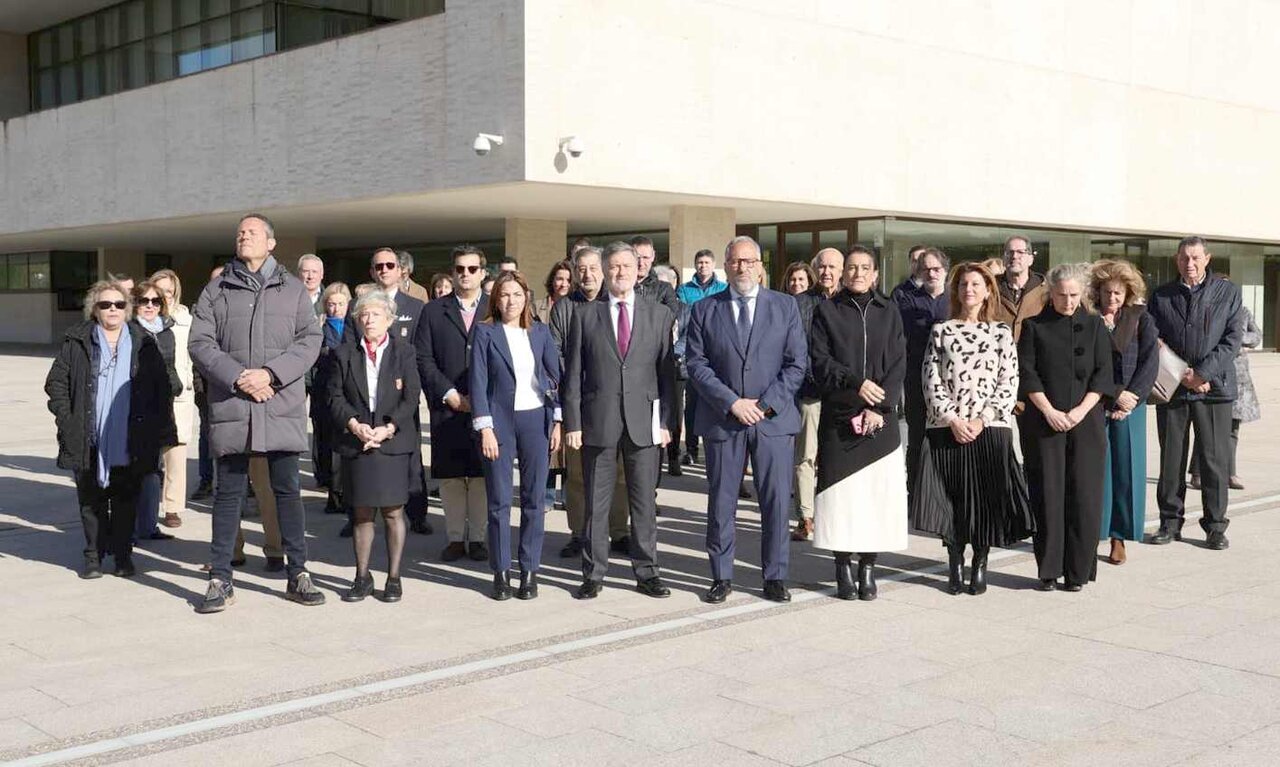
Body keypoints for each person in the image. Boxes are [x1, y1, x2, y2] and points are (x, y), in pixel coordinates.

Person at [189, 213, 324, 613]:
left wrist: (270, 374)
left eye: (251, 232)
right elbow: (200, 342)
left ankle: (297, 573)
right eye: (239, 233)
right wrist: (237, 377)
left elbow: (310, 340)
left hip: (279, 404)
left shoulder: (294, 290)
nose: (243, 236)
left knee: (287, 491)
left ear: (271, 243)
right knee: (228, 494)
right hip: (233, 406)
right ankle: (220, 578)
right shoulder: (217, 289)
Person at [686, 236, 807, 603]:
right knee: (722, 502)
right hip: (725, 420)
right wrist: (732, 403)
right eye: (736, 261)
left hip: (772, 421)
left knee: (774, 503)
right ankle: (721, 576)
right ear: (726, 265)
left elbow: (796, 363)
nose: (743, 268)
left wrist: (765, 404)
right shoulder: (705, 309)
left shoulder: (785, 307)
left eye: (749, 261)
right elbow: (696, 364)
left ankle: (774, 576)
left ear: (760, 265)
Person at [563, 241, 677, 599]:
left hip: (645, 421)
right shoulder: (584, 316)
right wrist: (573, 423)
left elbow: (667, 376)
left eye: (627, 266)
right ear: (604, 270)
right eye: (613, 267)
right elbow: (573, 375)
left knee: (643, 501)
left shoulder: (658, 314)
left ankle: (647, 572)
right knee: (597, 502)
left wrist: (667, 423)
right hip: (599, 421)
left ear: (637, 269)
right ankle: (593, 573)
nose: (620, 272)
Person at [911, 264, 1032, 595]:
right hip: (947, 428)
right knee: (952, 500)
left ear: (988, 290)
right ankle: (954, 561)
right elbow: (930, 378)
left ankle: (980, 561)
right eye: (964, 284)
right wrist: (953, 419)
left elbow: (1010, 381)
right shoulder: (942, 331)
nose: (969, 289)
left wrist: (982, 419)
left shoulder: (1000, 333)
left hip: (989, 428)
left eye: (976, 284)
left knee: (984, 499)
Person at [45, 281, 175, 578]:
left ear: (127, 308)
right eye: (105, 305)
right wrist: (67, 418)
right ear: (95, 309)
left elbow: (161, 388)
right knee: (90, 500)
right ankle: (93, 555)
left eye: (118, 304)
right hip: (88, 434)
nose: (112, 310)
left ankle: (122, 555)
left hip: (131, 436)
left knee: (126, 498)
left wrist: (156, 427)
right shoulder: (77, 341)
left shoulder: (143, 343)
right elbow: (56, 383)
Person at [810, 246, 908, 601]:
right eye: (851, 268)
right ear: (842, 273)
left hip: (881, 419)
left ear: (876, 274)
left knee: (875, 496)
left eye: (865, 268)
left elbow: (898, 363)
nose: (858, 273)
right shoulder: (826, 311)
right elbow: (821, 362)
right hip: (841, 416)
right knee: (842, 497)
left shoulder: (889, 311)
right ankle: (841, 565)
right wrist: (856, 384)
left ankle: (868, 564)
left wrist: (880, 407)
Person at [1018, 262, 1114, 592]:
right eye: (1061, 296)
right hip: (1044, 423)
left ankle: (1078, 572)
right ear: (1051, 293)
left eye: (1074, 295)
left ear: (1083, 293)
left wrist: (1080, 412)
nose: (1068, 302)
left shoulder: (1095, 325)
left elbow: (1104, 375)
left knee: (1084, 497)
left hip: (1086, 424)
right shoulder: (1033, 326)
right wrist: (1049, 411)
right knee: (1047, 494)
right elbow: (1027, 374)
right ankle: (1048, 570)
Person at [470, 271, 563, 600]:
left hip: (536, 420)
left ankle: (529, 570)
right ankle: (501, 571)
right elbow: (478, 383)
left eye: (517, 295)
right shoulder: (484, 333)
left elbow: (557, 375)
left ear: (526, 298)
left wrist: (558, 420)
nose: (510, 301)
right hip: (500, 423)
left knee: (534, 500)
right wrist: (486, 429)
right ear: (496, 299)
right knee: (498, 501)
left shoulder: (538, 332)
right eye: (504, 295)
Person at [1147, 236, 1242, 550]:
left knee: (1213, 462)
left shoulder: (1227, 292)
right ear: (1177, 260)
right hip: (1173, 390)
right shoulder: (1161, 296)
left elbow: (1232, 339)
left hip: (1214, 390)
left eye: (1196, 258)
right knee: (1171, 459)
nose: (1190, 263)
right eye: (1185, 258)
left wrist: (1202, 373)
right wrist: (1182, 374)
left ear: (1207, 258)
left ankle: (1215, 526)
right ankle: (1169, 523)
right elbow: (1153, 338)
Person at [327, 290, 421, 603]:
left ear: (389, 320)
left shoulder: (404, 352)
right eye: (364, 315)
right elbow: (334, 398)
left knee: (394, 512)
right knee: (362, 513)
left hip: (392, 442)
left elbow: (411, 397)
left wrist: (389, 427)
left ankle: (394, 577)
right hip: (358, 443)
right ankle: (362, 576)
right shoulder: (343, 354)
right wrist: (354, 425)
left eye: (376, 315)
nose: (369, 320)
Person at [548, 246, 630, 558]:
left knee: (619, 472)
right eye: (581, 269)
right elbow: (554, 355)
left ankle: (619, 531)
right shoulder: (565, 308)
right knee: (579, 475)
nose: (587, 275)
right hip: (577, 403)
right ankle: (579, 533)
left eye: (593, 268)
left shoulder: (617, 303)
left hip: (614, 403)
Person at [344, 248, 432, 536]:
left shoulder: (415, 306)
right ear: (372, 271)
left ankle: (416, 514)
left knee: (409, 456)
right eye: (378, 266)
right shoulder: (357, 307)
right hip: (364, 391)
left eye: (389, 265)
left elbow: (420, 351)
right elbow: (347, 347)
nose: (384, 270)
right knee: (359, 457)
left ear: (401, 270)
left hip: (400, 392)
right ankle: (356, 514)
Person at [416, 245, 491, 561]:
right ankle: (456, 537)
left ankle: (478, 538)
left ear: (483, 273)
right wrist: (450, 394)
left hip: (487, 407)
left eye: (472, 269)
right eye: (460, 269)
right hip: (448, 407)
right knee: (450, 478)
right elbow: (423, 357)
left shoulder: (494, 307)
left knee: (481, 476)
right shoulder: (434, 310)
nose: (465, 274)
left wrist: (485, 398)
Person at [1089, 260, 1158, 566]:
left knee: (1126, 471)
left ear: (1128, 293)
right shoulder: (1089, 319)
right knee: (1097, 472)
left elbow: (1149, 361)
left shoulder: (1141, 318)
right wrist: (1115, 395)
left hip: (1132, 406)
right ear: (1098, 292)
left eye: (1118, 293)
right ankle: (1094, 533)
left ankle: (1119, 536)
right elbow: (1087, 364)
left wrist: (1132, 398)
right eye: (1107, 292)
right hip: (1097, 402)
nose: (1112, 298)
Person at [789, 247, 844, 541]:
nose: (827, 272)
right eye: (822, 267)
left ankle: (832, 513)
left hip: (842, 393)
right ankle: (805, 517)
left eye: (832, 267)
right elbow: (795, 349)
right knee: (806, 457)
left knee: (836, 456)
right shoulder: (799, 304)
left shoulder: (851, 303)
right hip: (810, 392)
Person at [129, 280, 184, 543]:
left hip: (161, 409)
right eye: (144, 301)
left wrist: (175, 386)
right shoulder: (129, 331)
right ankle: (127, 526)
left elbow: (170, 367)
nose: (150, 306)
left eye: (156, 301)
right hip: (133, 410)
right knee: (132, 470)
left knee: (154, 469)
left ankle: (149, 526)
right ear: (135, 304)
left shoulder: (166, 332)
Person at [892, 247, 950, 496]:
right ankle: (915, 493)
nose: (931, 273)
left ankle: (943, 493)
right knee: (917, 437)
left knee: (946, 435)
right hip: (916, 377)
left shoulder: (956, 299)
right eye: (926, 269)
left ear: (946, 270)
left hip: (950, 380)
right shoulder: (906, 299)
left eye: (936, 268)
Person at [1190, 306, 1262, 491]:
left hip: (1239, 378)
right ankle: (1198, 472)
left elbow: (1256, 337)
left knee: (1232, 429)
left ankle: (1230, 473)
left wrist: (1238, 339)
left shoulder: (1242, 312)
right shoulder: (1208, 311)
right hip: (1213, 373)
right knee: (1206, 426)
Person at [150, 269, 196, 530]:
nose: (165, 296)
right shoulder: (143, 318)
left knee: (176, 455)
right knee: (148, 456)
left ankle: (173, 507)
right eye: (160, 291)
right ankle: (145, 505)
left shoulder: (186, 321)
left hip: (179, 395)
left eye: (169, 291)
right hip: (148, 396)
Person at [674, 248, 727, 470]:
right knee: (692, 406)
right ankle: (692, 450)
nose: (703, 266)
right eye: (699, 262)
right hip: (692, 352)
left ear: (713, 264)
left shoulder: (723, 289)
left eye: (706, 262)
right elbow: (683, 320)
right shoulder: (685, 291)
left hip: (716, 354)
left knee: (714, 403)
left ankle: (711, 450)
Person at [314, 282, 351, 515]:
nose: (335, 308)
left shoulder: (355, 327)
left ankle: (345, 493)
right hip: (324, 392)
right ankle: (332, 493)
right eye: (331, 304)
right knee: (327, 446)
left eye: (340, 303)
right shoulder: (318, 327)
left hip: (349, 394)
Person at [190, 265, 224, 502]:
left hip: (233, 388)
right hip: (207, 387)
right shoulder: (201, 312)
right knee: (207, 436)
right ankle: (206, 480)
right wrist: (200, 389)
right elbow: (196, 353)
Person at [993, 235, 1047, 341]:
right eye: (1010, 252)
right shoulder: (990, 288)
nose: (1014, 256)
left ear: (1031, 259)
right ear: (1003, 259)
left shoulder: (1044, 290)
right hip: (998, 353)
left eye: (1020, 252)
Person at [630, 235, 682, 315]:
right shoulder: (617, 286)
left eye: (645, 257)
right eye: (637, 258)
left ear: (653, 256)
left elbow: (671, 317)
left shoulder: (664, 289)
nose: (641, 263)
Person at [535, 260, 573, 324]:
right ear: (552, 280)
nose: (564, 284)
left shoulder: (578, 309)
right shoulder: (536, 308)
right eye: (560, 279)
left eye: (568, 280)